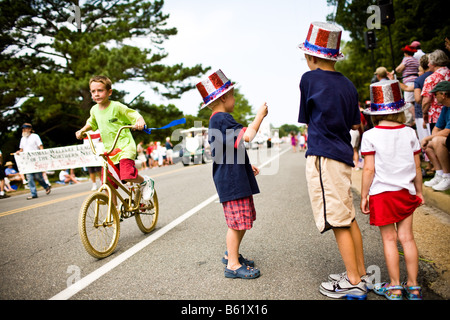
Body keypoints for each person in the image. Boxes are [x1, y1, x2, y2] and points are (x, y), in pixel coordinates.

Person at [297, 21, 368, 299]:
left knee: (337, 219)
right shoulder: (349, 85)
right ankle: (360, 273)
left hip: (322, 156)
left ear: (312, 57)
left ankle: (353, 281)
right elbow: (354, 124)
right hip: (343, 155)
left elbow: (306, 118)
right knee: (348, 216)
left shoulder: (308, 79)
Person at [197, 69, 267, 279]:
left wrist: (247, 166)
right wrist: (259, 117)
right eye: (233, 95)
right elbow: (248, 136)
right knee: (236, 224)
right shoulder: (222, 119)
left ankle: (232, 254)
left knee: (242, 220)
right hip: (231, 181)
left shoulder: (218, 120)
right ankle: (233, 264)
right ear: (225, 98)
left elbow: (231, 149)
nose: (235, 99)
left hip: (234, 176)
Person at [360, 80, 424, 300]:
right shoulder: (409, 133)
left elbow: (368, 169)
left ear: (375, 112)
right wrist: (419, 191)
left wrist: (364, 194)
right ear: (399, 110)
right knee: (407, 238)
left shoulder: (370, 136)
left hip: (381, 194)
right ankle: (414, 287)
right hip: (405, 192)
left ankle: (395, 287)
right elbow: (417, 166)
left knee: (389, 240)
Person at [75, 76, 154, 204]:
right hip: (110, 150)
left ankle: (145, 181)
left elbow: (133, 114)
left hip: (125, 147)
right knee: (107, 182)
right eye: (93, 91)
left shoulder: (116, 107)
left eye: (100, 90)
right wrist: (83, 130)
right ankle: (114, 212)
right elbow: (91, 122)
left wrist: (139, 121)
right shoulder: (94, 110)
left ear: (109, 92)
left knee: (127, 175)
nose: (96, 94)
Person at [422, 81, 450, 191]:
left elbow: (448, 131)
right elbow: (437, 127)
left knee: (437, 141)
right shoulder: (445, 108)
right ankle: (440, 174)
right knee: (429, 144)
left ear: (444, 95)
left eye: (436, 94)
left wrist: (430, 138)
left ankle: (447, 176)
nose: (435, 97)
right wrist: (431, 140)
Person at [15, 123, 51, 200]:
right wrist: (18, 152)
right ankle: (33, 193)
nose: (24, 130)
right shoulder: (22, 139)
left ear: (30, 129)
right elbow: (21, 149)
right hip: (27, 162)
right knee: (29, 178)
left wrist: (42, 155)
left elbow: (40, 146)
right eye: (23, 129)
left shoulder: (35, 136)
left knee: (38, 177)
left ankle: (46, 186)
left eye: (25, 129)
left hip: (36, 161)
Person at [422, 49, 450, 131]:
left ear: (434, 63)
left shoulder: (431, 79)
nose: (428, 64)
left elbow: (426, 101)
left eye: (429, 62)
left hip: (437, 117)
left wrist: (424, 113)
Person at [395, 45, 420, 126]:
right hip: (416, 81)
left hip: (408, 81)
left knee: (408, 102)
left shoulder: (406, 59)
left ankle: (414, 118)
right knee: (415, 100)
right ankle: (417, 117)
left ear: (406, 53)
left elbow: (398, 69)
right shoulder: (416, 60)